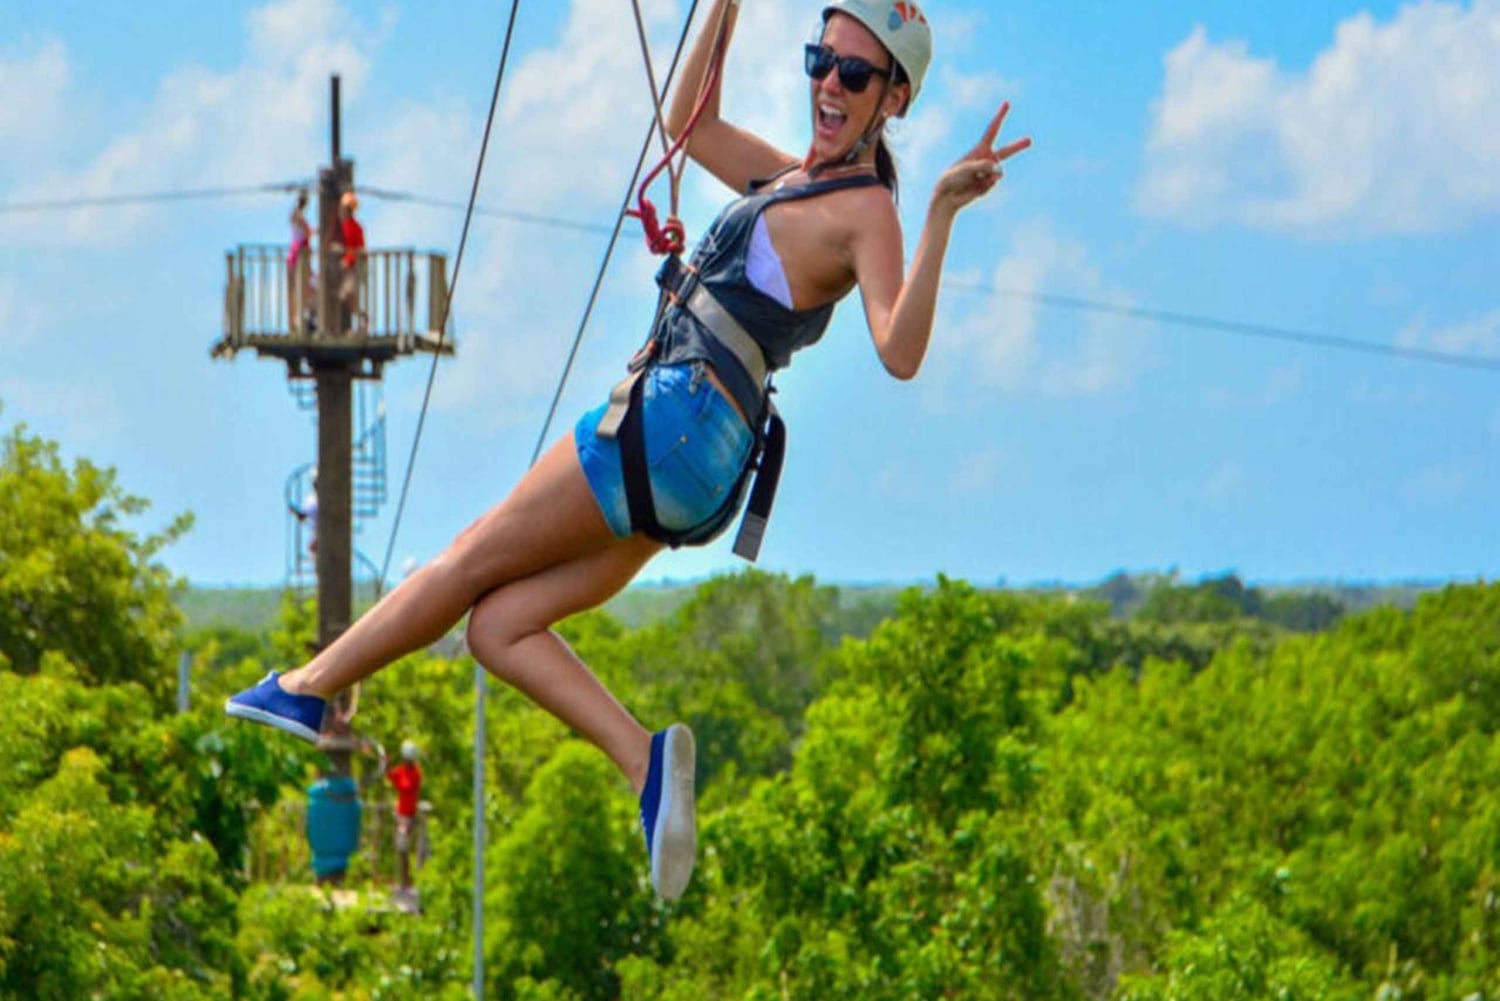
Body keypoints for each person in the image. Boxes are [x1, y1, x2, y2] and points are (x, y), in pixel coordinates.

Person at [227, 0, 1029, 903]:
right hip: (701, 466)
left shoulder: (869, 210)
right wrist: (723, 14)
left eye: (853, 73)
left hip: (679, 418)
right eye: (819, 60)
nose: (827, 86)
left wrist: (942, 214)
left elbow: (900, 349)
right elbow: (691, 127)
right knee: (496, 627)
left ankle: (311, 684)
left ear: (895, 98)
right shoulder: (793, 179)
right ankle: (645, 763)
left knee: (464, 560)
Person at [386, 740, 424, 893]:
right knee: (401, 848)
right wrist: (386, 764)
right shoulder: (402, 770)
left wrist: (395, 776)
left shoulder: (415, 774)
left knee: (404, 847)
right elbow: (390, 775)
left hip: (408, 816)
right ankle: (403, 880)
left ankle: (407, 881)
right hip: (400, 814)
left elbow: (405, 786)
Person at [331, 190, 366, 333]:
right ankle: (345, 326)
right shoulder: (343, 226)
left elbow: (359, 249)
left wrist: (347, 259)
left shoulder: (355, 227)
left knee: (349, 293)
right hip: (345, 268)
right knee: (342, 295)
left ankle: (361, 320)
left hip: (354, 267)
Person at [287, 189, 314, 335]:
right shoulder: (299, 217)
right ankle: (298, 318)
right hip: (300, 254)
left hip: (297, 252)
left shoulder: (294, 216)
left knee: (299, 287)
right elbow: (307, 232)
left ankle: (298, 318)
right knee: (301, 286)